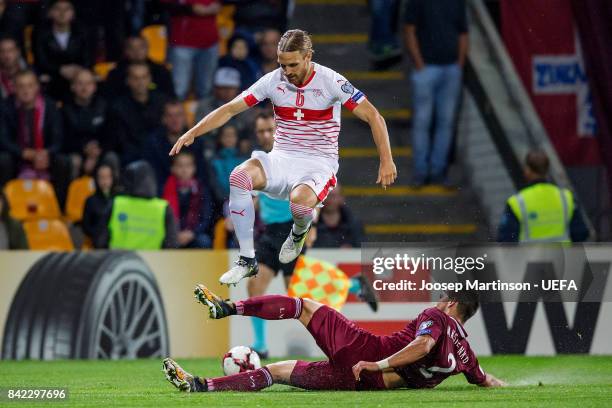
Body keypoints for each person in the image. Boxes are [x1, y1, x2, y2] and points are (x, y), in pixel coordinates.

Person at [170, 29, 397, 285]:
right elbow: (231, 108)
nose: (287, 71)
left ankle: (299, 233)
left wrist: (386, 159)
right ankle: (246, 259)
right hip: (282, 157)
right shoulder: (273, 80)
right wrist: (193, 131)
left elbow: (373, 116)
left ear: (308, 56)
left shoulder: (331, 81)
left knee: (299, 205)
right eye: (282, 64)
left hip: (318, 162)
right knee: (239, 177)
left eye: (293, 64)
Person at [162, 286, 506, 392]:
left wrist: (376, 361)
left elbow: (423, 345)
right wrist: (515, 388)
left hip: (363, 353)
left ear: (453, 304)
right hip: (365, 384)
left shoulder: (437, 318)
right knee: (278, 372)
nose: (436, 301)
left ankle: (226, 307)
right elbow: (485, 380)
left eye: (441, 296)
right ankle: (200, 386)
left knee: (302, 306)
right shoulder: (466, 355)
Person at [247, 112, 378, 357]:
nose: (265, 135)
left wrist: (313, 226)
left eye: (269, 130)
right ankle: (261, 346)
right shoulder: (258, 159)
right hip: (270, 233)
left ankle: (353, 285)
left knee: (296, 295)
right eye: (261, 131)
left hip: (293, 229)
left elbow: (311, 191)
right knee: (254, 285)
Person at [404, 0, 468, 185]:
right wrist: (419, 64)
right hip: (428, 69)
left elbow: (463, 33)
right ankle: (422, 171)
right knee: (425, 122)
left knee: (444, 123)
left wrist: (459, 64)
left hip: (449, 69)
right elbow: (409, 31)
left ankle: (436, 170)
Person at [0, 70, 70, 203]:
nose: (26, 91)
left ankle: (59, 207)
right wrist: (23, 153)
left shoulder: (50, 106)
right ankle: (6, 207)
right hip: (18, 156)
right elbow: (3, 139)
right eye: (21, 86)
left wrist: (46, 153)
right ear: (14, 88)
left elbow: (58, 138)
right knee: (3, 160)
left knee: (63, 161)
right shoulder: (5, 107)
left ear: (37, 87)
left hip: (45, 155)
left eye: (30, 86)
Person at [497, 150, 589, 243]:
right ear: (547, 170)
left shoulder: (517, 202)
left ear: (528, 171)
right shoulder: (566, 197)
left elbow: (506, 238)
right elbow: (580, 233)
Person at [95, 160, 177, 249]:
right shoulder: (163, 208)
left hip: (119, 260)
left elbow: (100, 240)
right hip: (152, 261)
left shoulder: (117, 204)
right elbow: (171, 243)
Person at [106, 62, 168, 164]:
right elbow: (122, 142)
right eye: (135, 78)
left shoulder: (163, 102)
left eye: (144, 77)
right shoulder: (118, 107)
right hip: (132, 158)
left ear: (150, 79)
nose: (140, 82)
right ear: (128, 80)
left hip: (161, 154)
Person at [143, 100, 208, 195]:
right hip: (163, 192)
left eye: (179, 115)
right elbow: (153, 174)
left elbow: (201, 174)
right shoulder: (153, 143)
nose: (175, 120)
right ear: (163, 119)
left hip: (192, 193)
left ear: (185, 118)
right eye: (170, 116)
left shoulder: (196, 141)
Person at [34, 0, 93, 102]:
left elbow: (88, 58)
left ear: (73, 13)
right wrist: (60, 70)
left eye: (67, 9)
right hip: (52, 78)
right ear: (50, 12)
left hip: (76, 76)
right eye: (58, 9)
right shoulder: (40, 34)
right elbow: (41, 60)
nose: (62, 13)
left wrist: (77, 70)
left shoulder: (82, 32)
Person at [162, 0, 220, 100]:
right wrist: (190, 8)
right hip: (183, 42)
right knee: (179, 90)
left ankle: (205, 115)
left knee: (206, 90)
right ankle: (176, 116)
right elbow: (164, 4)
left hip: (210, 42)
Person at [162, 151, 214, 248]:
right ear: (172, 168)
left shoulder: (201, 189)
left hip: (193, 234)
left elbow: (206, 217)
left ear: (194, 168)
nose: (184, 170)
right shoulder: (165, 189)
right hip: (172, 234)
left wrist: (192, 233)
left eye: (188, 165)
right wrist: (174, 233)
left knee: (204, 241)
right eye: (180, 166)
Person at [61, 68, 107, 177]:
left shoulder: (104, 106)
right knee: (73, 161)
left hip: (100, 150)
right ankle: (72, 193)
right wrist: (84, 149)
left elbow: (111, 134)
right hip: (77, 150)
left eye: (88, 83)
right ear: (72, 86)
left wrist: (96, 152)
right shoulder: (65, 109)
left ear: (94, 86)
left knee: (111, 157)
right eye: (80, 83)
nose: (84, 88)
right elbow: (64, 139)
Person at [104, 36, 175, 98]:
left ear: (147, 48)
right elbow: (111, 98)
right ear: (125, 51)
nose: (137, 51)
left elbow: (169, 97)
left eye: (141, 47)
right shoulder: (116, 74)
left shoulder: (161, 71)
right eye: (131, 48)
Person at [313, 184, 363, 248]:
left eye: (333, 196)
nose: (329, 199)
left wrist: (351, 248)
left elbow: (361, 247)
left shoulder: (354, 223)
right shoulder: (311, 223)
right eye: (327, 195)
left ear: (341, 198)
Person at [82, 159, 118, 243]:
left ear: (113, 178)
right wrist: (99, 234)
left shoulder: (119, 200)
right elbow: (86, 227)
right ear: (96, 179)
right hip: (96, 244)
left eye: (107, 177)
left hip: (116, 244)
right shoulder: (90, 201)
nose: (104, 181)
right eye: (101, 177)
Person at [210, 124, 245, 201]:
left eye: (232, 135)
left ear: (237, 138)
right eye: (226, 135)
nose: (229, 138)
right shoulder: (214, 161)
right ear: (220, 138)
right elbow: (214, 186)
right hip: (220, 204)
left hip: (242, 202)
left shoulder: (244, 160)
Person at [0, 35, 27, 100]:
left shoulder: (32, 72)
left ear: (18, 52)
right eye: (2, 51)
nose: (6, 55)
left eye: (10, 50)